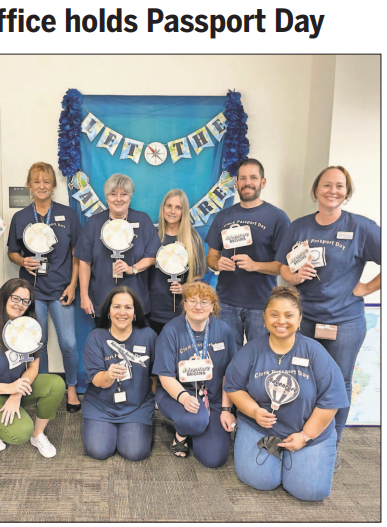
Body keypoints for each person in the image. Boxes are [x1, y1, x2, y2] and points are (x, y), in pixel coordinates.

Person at [276, 166, 380, 461]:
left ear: (347, 192)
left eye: (339, 185)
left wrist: (365, 288)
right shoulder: (299, 226)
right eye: (326, 185)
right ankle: (302, 436)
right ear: (315, 190)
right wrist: (294, 276)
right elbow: (283, 268)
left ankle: (330, 447)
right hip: (305, 321)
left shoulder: (362, 227)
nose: (332, 190)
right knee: (302, 379)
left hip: (345, 322)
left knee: (339, 382)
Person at [224, 287, 349, 501]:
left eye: (289, 315)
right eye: (274, 314)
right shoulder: (251, 350)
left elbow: (331, 399)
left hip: (306, 430)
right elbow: (233, 386)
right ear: (264, 318)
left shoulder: (315, 352)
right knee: (261, 481)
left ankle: (299, 456)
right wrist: (254, 411)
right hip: (260, 428)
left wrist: (305, 435)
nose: (281, 320)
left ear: (300, 319)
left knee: (311, 492)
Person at [7, 162, 82, 412]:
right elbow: (12, 252)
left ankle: (71, 388)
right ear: (29, 185)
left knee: (69, 343)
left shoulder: (68, 214)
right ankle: (47, 389)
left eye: (47, 181)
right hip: (32, 292)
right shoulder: (21, 217)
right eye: (37, 181)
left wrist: (73, 286)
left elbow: (77, 254)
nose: (42, 186)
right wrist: (22, 260)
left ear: (53, 186)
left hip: (62, 290)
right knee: (38, 343)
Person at [0, 278, 65, 456]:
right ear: (4, 298)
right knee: (20, 433)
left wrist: (16, 393)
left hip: (14, 388)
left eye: (26, 301)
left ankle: (38, 434)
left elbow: (34, 366)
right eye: (15, 298)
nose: (20, 305)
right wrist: (9, 388)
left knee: (56, 384)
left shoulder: (30, 327)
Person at [205, 159, 290, 349]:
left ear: (263, 182)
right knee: (225, 357)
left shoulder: (278, 218)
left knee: (260, 357)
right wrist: (217, 264)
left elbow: (285, 266)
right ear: (236, 184)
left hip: (262, 304)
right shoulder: (223, 216)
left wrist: (255, 265)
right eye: (242, 178)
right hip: (225, 302)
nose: (247, 182)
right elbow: (211, 257)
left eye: (253, 177)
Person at [153, 281, 237, 466]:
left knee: (214, 459)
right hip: (177, 394)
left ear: (213, 306)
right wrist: (183, 397)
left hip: (213, 398)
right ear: (184, 304)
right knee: (195, 419)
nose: (198, 306)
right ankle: (181, 434)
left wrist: (226, 409)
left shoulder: (223, 330)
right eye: (192, 300)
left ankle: (197, 426)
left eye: (204, 301)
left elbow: (229, 375)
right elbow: (165, 376)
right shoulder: (171, 330)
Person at [82, 286, 157, 461]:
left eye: (128, 307)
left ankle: (134, 426)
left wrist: (149, 402)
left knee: (135, 453)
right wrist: (108, 375)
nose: (122, 312)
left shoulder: (148, 336)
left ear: (135, 312)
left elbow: (156, 375)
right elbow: (97, 380)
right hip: (101, 406)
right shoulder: (96, 337)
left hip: (137, 407)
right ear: (108, 311)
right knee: (98, 452)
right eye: (116, 307)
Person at [75, 174, 161, 326]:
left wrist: (132, 268)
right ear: (106, 197)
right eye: (113, 194)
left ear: (130, 197)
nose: (118, 199)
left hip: (135, 300)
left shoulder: (142, 220)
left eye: (124, 194)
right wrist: (83, 295)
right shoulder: (94, 223)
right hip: (102, 299)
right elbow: (84, 261)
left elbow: (153, 255)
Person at [149, 189, 208, 335]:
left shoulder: (193, 239)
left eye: (178, 207)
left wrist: (186, 287)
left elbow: (199, 278)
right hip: (151, 310)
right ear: (163, 208)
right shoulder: (152, 235)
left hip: (180, 312)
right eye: (169, 206)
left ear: (184, 211)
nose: (172, 211)